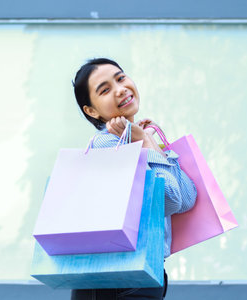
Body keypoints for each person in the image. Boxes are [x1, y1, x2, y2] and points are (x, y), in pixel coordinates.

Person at [70, 58, 197, 300]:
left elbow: (187, 199)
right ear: (92, 110)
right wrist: (146, 143)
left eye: (121, 78)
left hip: (141, 275)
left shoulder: (134, 141)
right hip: (115, 280)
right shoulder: (107, 145)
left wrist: (147, 141)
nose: (120, 89)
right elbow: (168, 200)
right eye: (105, 90)